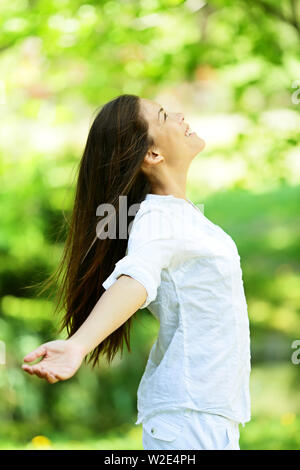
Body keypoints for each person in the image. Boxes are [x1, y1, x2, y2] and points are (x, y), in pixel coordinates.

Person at [21, 94, 251, 450]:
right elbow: (136, 278)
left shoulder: (179, 214)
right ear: (153, 154)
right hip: (189, 420)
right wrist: (77, 345)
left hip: (203, 415)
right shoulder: (158, 218)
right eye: (164, 115)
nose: (180, 115)